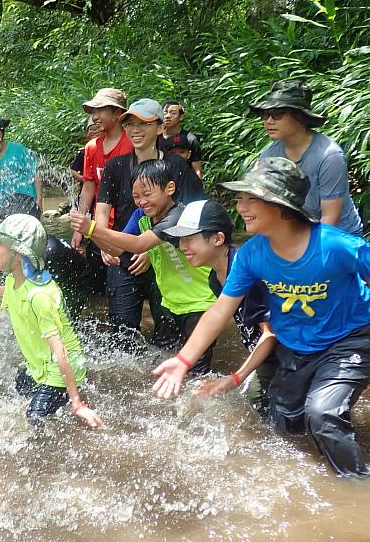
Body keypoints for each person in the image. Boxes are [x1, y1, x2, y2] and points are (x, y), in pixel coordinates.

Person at [152, 158, 370, 478]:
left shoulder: (337, 246)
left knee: (322, 413)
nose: (239, 206)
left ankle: (358, 487)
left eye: (250, 198)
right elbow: (220, 311)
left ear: (280, 205)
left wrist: (236, 377)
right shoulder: (254, 254)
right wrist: (184, 360)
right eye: (240, 198)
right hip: (296, 348)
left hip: (349, 339)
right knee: (282, 425)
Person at [0, 214, 103, 428]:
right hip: (40, 365)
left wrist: (78, 404)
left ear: (18, 253)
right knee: (19, 389)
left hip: (60, 367)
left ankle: (71, 401)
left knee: (34, 420)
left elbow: (61, 352)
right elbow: (1, 310)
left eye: (0, 244)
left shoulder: (39, 296)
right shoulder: (14, 280)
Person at [70, 159, 216, 372]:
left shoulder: (179, 216)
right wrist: (88, 233)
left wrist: (92, 228)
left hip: (201, 305)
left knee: (196, 373)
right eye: (136, 196)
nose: (141, 202)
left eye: (147, 194)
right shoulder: (141, 216)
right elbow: (117, 250)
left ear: (170, 189)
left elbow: (139, 243)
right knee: (165, 365)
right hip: (172, 305)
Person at [92, 99, 207, 349]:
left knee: (168, 335)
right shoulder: (116, 166)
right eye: (130, 124)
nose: (135, 130)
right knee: (122, 334)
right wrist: (102, 242)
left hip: (165, 260)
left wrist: (148, 248)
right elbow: (102, 208)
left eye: (143, 124)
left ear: (158, 127)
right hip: (123, 255)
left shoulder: (176, 166)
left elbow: (191, 214)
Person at [164, 200, 277, 412]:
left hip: (288, 356)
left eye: (189, 239)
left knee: (265, 405)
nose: (182, 247)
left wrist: (236, 378)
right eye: (180, 240)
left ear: (218, 238)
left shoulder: (246, 271)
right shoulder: (215, 279)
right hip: (266, 356)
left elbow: (270, 334)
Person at [253, 80, 362, 235]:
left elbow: (330, 218)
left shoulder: (329, 156)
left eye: (277, 114)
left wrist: (302, 250)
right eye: (266, 115)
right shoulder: (270, 156)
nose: (269, 121)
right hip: (298, 232)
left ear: (300, 117)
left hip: (339, 237)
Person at [71, 88, 132, 249]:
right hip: (98, 227)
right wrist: (79, 229)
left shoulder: (132, 145)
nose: (95, 117)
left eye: (101, 110)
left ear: (117, 113)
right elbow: (88, 188)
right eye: (94, 111)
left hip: (128, 228)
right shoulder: (91, 147)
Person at [159, 101, 203, 179]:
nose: (168, 116)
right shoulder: (154, 138)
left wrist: (196, 187)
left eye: (173, 113)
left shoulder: (190, 140)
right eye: (165, 112)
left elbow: (197, 170)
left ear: (181, 117)